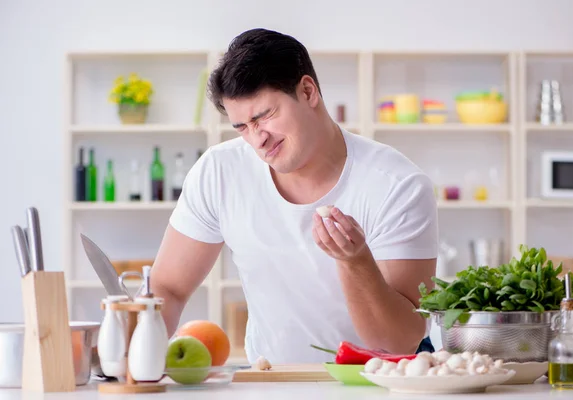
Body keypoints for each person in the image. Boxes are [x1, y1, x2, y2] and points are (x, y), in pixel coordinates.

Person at [150, 28, 439, 364]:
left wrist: (356, 262)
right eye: (242, 126)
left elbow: (402, 340)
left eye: (264, 116)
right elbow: (167, 289)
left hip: (371, 385)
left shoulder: (397, 185)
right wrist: (131, 352)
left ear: (307, 91)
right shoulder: (219, 171)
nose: (257, 138)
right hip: (268, 380)